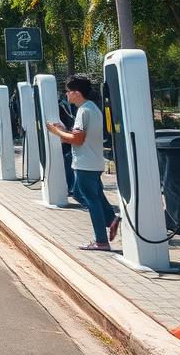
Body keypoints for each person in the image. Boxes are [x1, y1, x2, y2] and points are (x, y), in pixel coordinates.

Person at [47, 74, 119, 251]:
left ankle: (101, 240)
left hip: (84, 163)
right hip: (93, 161)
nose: (67, 95)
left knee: (84, 196)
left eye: (69, 92)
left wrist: (57, 133)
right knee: (95, 195)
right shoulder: (92, 108)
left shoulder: (83, 111)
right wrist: (65, 131)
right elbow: (79, 136)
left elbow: (77, 140)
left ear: (77, 93)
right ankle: (111, 219)